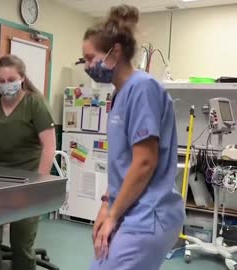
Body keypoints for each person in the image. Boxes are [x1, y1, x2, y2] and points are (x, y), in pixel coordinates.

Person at [81, 5, 185, 270]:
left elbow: (144, 163)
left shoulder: (142, 88)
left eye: (91, 58)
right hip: (129, 210)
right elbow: (123, 163)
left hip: (150, 213)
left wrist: (114, 215)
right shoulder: (119, 95)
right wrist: (106, 206)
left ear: (114, 52)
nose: (88, 66)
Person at [0, 54, 56, 270]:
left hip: (28, 177)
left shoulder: (34, 104)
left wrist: (40, 183)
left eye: (11, 79)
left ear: (21, 78)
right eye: (1, 80)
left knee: (21, 242)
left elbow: (49, 146)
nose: (6, 85)